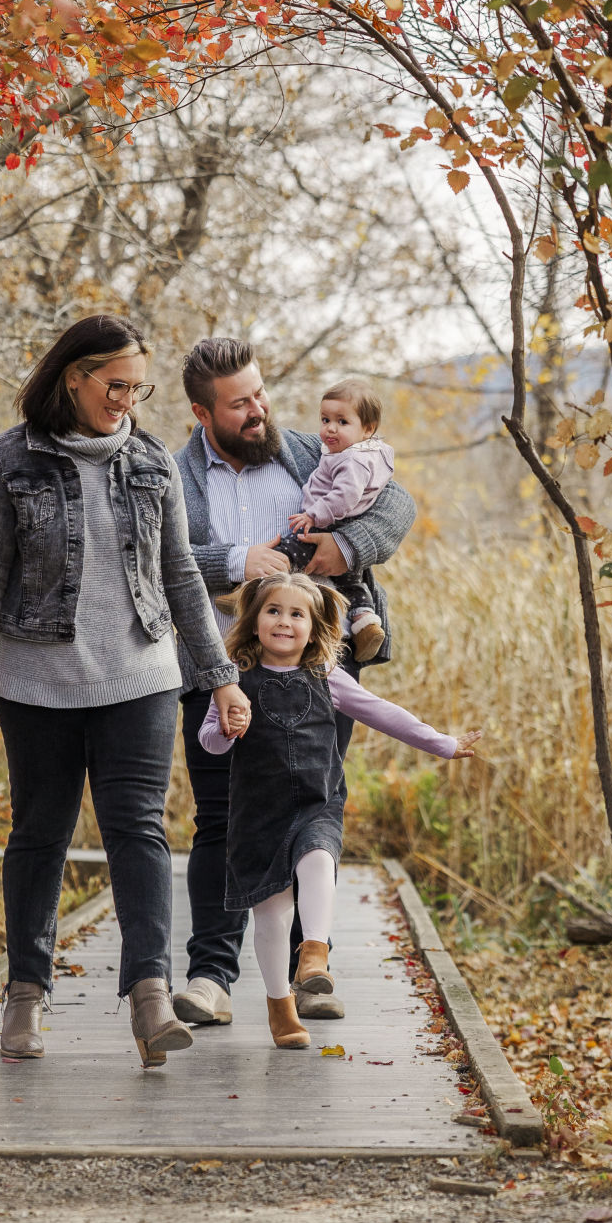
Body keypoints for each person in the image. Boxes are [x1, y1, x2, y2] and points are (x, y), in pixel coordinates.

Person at [0, 314, 246, 1069]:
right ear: (73, 376)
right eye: (116, 385)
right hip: (36, 678)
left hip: (140, 672)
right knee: (39, 833)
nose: (128, 401)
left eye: (138, 387)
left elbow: (180, 575)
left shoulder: (150, 461)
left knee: (139, 831)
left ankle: (149, 996)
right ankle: (25, 996)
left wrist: (222, 678)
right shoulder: (7, 460)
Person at [171, 337, 417, 1030]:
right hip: (217, 669)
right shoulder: (173, 474)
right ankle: (212, 977)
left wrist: (349, 547)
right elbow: (158, 557)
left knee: (313, 811)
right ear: (202, 411)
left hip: (315, 672)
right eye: (240, 403)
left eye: (260, 393)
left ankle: (313, 968)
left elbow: (397, 506)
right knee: (221, 819)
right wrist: (230, 560)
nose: (258, 410)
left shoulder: (312, 451)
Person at [199, 575, 480, 1048]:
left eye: (296, 614)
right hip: (258, 812)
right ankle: (280, 1007)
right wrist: (228, 728)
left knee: (319, 860)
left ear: (314, 627)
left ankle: (313, 953)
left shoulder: (327, 675)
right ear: (253, 620)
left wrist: (442, 743)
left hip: (317, 800)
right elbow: (208, 741)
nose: (283, 622)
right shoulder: (234, 676)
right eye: (273, 611)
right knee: (271, 914)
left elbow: (382, 711)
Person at [285, 377, 394, 663]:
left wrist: (313, 515)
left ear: (367, 429)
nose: (330, 428)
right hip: (346, 529)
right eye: (325, 419)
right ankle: (366, 622)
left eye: (342, 422)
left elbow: (344, 496)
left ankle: (254, 586)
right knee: (350, 582)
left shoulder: (352, 460)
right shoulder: (364, 453)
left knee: (290, 548)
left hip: (331, 523)